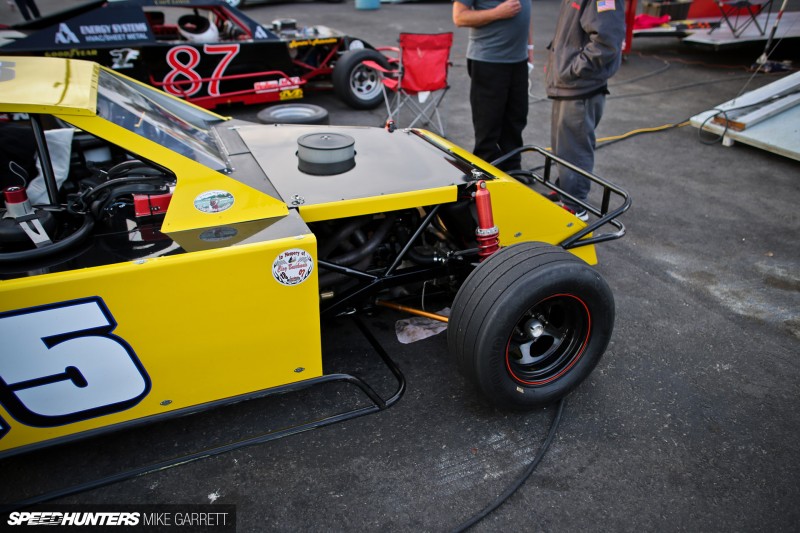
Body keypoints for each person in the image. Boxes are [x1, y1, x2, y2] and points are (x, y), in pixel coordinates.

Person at [544, 0, 625, 220]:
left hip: (580, 86)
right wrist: (558, 63)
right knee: (563, 145)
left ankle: (574, 205)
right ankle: (565, 191)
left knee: (575, 147)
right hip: (568, 84)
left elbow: (607, 42)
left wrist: (572, 69)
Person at [453, 0, 533, 172]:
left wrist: (529, 47)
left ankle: (512, 169)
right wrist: (497, 13)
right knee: (488, 123)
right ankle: (486, 172)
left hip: (518, 60)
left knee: (516, 119)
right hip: (488, 60)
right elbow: (459, 17)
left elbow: (526, 12)